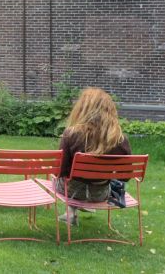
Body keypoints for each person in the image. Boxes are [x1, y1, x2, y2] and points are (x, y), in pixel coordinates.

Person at [55, 87, 131, 225]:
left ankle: (70, 213)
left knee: (64, 179)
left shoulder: (71, 134)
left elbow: (60, 171)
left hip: (73, 192)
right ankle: (74, 211)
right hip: (101, 193)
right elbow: (125, 176)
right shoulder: (120, 139)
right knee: (81, 181)